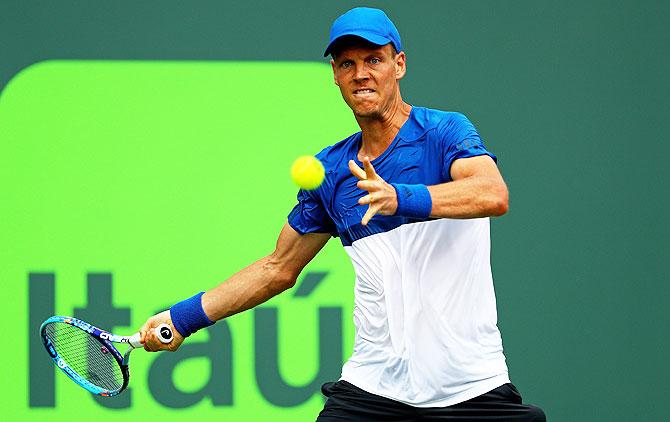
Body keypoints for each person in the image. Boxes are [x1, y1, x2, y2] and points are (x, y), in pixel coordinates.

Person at [140, 7, 546, 421]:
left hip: (471, 388)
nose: (360, 73)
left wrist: (400, 197)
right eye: (347, 63)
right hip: (373, 391)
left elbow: (492, 193)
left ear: (398, 65)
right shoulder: (331, 171)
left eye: (374, 60)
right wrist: (182, 317)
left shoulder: (444, 133)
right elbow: (277, 268)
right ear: (335, 75)